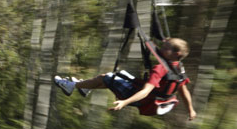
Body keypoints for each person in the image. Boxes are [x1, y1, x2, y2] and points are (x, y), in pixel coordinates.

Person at [54, 38, 196, 119]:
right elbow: (184, 90)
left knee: (107, 77)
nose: (160, 49)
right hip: (160, 101)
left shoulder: (160, 69)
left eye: (165, 48)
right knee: (118, 75)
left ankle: (71, 86)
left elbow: (145, 91)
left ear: (176, 53)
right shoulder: (179, 68)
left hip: (143, 99)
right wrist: (191, 110)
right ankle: (85, 87)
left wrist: (124, 102)